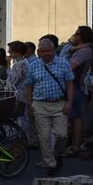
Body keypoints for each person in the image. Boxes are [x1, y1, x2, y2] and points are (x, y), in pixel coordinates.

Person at [25, 39, 74, 176]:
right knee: (44, 136)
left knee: (62, 134)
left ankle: (57, 154)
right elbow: (29, 86)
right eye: (43, 51)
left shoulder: (63, 63)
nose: (46, 53)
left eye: (48, 51)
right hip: (40, 104)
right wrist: (30, 105)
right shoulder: (34, 66)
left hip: (59, 103)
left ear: (53, 51)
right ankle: (51, 164)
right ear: (39, 52)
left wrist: (70, 101)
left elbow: (70, 83)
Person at [67, 26, 93, 156]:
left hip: (78, 86)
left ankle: (77, 145)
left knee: (77, 117)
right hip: (74, 86)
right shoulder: (79, 49)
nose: (74, 35)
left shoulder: (85, 51)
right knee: (74, 117)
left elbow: (71, 66)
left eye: (77, 33)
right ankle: (75, 144)